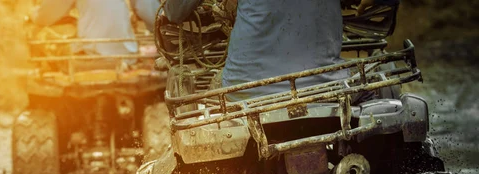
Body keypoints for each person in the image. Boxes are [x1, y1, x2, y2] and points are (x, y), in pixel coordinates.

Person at [163, 0, 400, 100]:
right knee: (375, 92)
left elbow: (173, 12)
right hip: (326, 86)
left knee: (209, 95)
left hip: (246, 89)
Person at [31, 0, 138, 57]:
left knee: (38, 33)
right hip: (127, 50)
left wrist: (33, 13)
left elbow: (44, 17)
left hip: (94, 51)